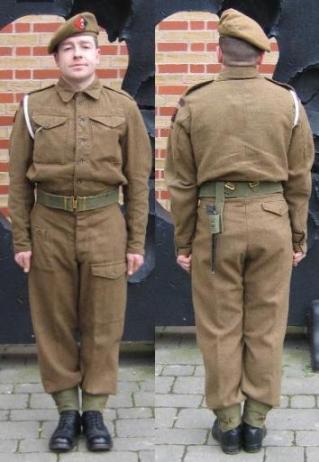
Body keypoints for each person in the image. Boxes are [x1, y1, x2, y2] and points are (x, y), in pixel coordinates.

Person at [165, 8, 314, 455]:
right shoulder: (287, 102)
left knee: (218, 326)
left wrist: (183, 240)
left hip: (215, 224)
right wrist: (298, 236)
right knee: (267, 326)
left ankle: (227, 423)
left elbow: (181, 181)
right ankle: (256, 423)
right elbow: (301, 177)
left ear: (220, 53)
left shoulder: (195, 102)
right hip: (272, 220)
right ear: (259, 55)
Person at [9, 12, 151, 453]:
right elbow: (17, 181)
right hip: (48, 224)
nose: (76, 54)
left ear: (97, 55)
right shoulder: (33, 107)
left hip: (105, 223)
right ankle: (66, 411)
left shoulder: (122, 107)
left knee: (104, 321)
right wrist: (22, 240)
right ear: (57, 57)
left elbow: (138, 178)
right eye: (68, 48)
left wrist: (135, 241)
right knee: (52, 322)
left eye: (84, 47)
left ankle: (95, 408)